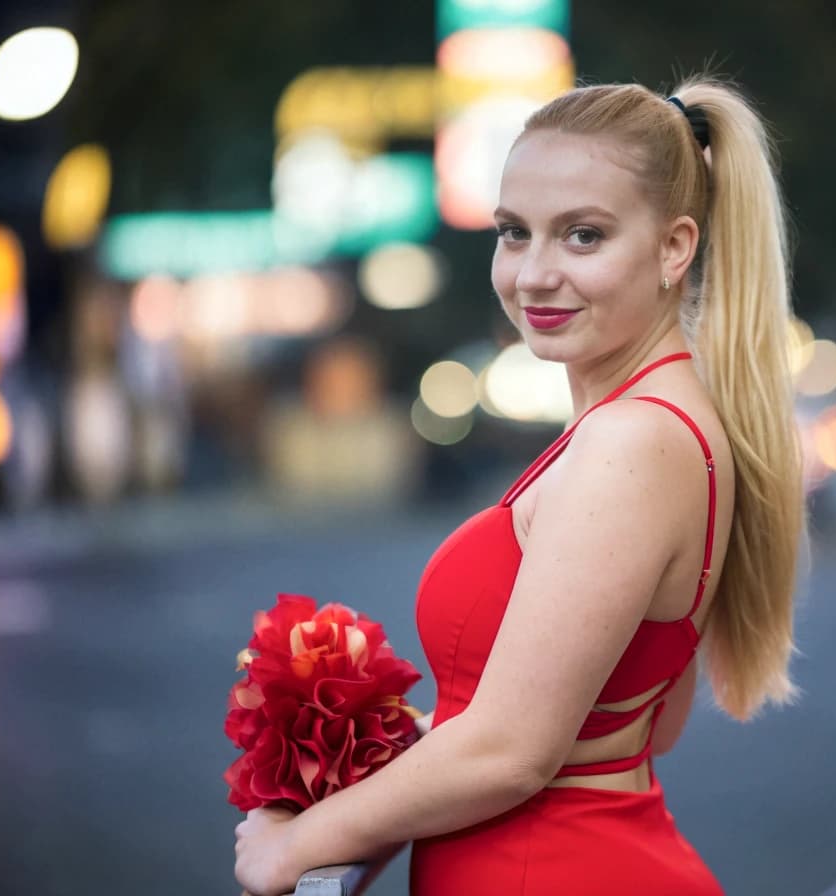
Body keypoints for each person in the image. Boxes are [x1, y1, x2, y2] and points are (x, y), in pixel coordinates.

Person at [234, 73, 805, 896]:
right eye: (514, 233)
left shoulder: (631, 441)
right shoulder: (662, 422)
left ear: (675, 248)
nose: (534, 275)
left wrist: (295, 846)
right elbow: (640, 722)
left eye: (583, 236)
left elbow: (512, 752)